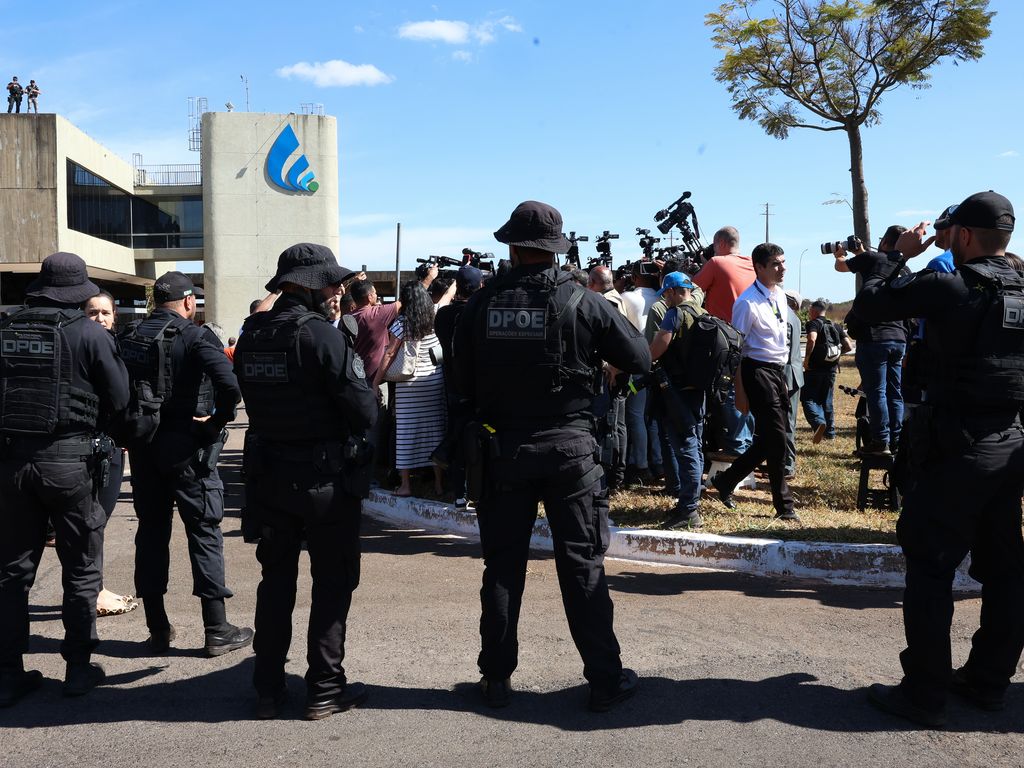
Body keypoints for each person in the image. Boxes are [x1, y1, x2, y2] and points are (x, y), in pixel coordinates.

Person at [454, 200, 651, 711]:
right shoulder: (584, 302)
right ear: (556, 248)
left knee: (502, 565)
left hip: (503, 450)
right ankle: (605, 680)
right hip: (570, 450)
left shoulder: (482, 302)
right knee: (582, 564)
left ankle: (495, 678)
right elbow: (640, 357)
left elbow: (459, 375)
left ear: (512, 247)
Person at [854, 191, 1024, 728]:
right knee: (1006, 571)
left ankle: (924, 693)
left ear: (966, 236)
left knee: (930, 568)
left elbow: (869, 310)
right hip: (1013, 443)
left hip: (959, 445)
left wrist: (895, 255)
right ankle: (988, 682)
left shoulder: (952, 281)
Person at [234, 242, 376, 720]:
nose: (338, 288)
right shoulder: (321, 336)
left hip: (270, 478)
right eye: (331, 281)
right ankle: (324, 689)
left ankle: (268, 687)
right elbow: (363, 409)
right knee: (332, 583)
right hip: (324, 482)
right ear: (309, 284)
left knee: (275, 581)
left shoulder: (252, 333)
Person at [0, 253, 129, 705]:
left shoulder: (5, 329)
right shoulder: (89, 333)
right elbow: (119, 397)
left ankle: (7, 673)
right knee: (80, 567)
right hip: (70, 463)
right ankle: (77, 667)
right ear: (78, 293)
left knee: (12, 572)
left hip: (11, 463)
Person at [124, 271, 250, 657]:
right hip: (188, 449)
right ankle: (216, 629)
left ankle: (157, 629)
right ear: (189, 303)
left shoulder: (129, 335)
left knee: (151, 532)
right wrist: (216, 421)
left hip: (145, 448)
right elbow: (230, 383)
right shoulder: (196, 336)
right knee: (205, 532)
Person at [709, 243, 799, 522]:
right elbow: (738, 350)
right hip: (756, 371)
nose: (782, 268)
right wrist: (740, 390)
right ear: (759, 268)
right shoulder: (747, 302)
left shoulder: (780, 295)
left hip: (777, 371)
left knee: (771, 438)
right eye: (775, 264)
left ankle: (727, 480)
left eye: (783, 262)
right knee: (777, 438)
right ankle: (784, 506)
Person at [833, 225, 915, 454]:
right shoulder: (904, 268)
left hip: (875, 336)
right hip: (899, 337)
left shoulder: (873, 258)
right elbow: (876, 267)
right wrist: (860, 253)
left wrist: (840, 254)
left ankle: (880, 441)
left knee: (876, 391)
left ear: (886, 241)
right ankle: (896, 440)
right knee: (894, 391)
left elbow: (841, 267)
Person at [82, 291, 138, 618]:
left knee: (99, 521)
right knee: (90, 523)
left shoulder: (120, 348)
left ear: (115, 316)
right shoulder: (76, 346)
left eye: (105, 312)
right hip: (82, 448)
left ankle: (95, 587)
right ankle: (94, 592)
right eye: (92, 312)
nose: (100, 318)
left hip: (112, 446)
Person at [372, 281, 446, 497]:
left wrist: (376, 382)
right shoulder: (433, 318)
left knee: (406, 433)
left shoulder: (402, 323)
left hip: (410, 384)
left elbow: (389, 354)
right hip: (433, 382)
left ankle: (405, 485)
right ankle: (439, 485)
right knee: (435, 432)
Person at [649, 272, 707, 529]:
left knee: (684, 447)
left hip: (678, 391)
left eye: (666, 294)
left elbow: (656, 349)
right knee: (695, 444)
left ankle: (689, 510)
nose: (666, 299)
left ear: (672, 291)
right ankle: (691, 500)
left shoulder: (675, 314)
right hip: (698, 390)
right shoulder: (703, 312)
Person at [692, 226, 755, 455]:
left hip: (725, 340)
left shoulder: (717, 263)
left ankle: (737, 448)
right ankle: (747, 444)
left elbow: (691, 290)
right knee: (747, 391)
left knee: (728, 392)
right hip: (751, 337)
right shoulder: (752, 263)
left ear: (719, 243)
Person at [434, 266, 485, 507]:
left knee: (456, 433)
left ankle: (459, 493)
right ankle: (477, 490)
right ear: (481, 287)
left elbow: (443, 302)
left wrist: (453, 285)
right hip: (477, 386)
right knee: (476, 439)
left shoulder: (443, 316)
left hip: (452, 385)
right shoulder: (481, 314)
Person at [619, 262, 662, 486]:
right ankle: (658, 461)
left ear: (634, 277)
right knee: (652, 417)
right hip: (659, 363)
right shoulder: (662, 296)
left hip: (637, 364)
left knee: (635, 416)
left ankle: (641, 464)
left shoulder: (627, 297)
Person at [587, 266, 629, 491]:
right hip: (619, 369)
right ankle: (616, 473)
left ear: (592, 282)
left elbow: (614, 340)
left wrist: (611, 366)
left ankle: (612, 475)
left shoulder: (606, 303)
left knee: (610, 424)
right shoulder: (616, 298)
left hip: (612, 372)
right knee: (617, 423)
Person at [801, 299, 849, 442]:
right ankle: (830, 433)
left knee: (808, 398)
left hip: (814, 369)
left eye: (810, 310)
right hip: (831, 369)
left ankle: (818, 423)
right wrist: (834, 356)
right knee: (827, 400)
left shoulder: (813, 323)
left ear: (814, 311)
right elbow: (848, 346)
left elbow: (812, 339)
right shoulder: (836, 325)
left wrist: (807, 359)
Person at [782, 289, 804, 478]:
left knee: (786, 422)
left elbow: (784, 351)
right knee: (788, 421)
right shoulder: (795, 318)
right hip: (794, 375)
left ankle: (788, 465)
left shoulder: (786, 318)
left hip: (786, 375)